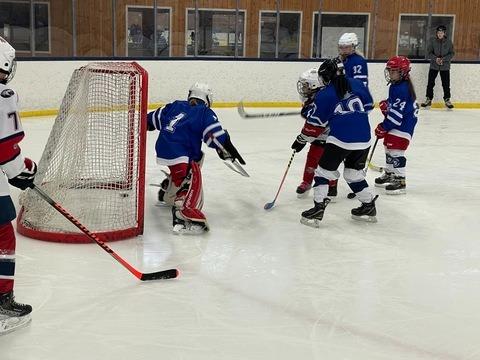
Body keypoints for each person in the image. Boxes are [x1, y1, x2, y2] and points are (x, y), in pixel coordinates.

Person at [147, 82, 245, 235]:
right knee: (193, 176)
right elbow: (214, 135)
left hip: (163, 149)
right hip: (180, 154)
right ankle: (183, 212)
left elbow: (151, 119)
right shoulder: (204, 112)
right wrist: (225, 145)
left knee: (191, 163)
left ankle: (169, 191)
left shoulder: (175, 105)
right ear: (207, 99)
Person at [292, 58, 378, 227]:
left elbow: (314, 126)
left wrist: (301, 140)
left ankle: (317, 210)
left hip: (341, 140)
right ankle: (368, 206)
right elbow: (368, 107)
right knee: (353, 175)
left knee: (323, 173)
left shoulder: (325, 94)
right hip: (363, 138)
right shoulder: (357, 84)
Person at [0, 36, 37, 334]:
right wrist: (22, 170)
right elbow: (6, 148)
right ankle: (2, 302)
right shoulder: (4, 95)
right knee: (3, 240)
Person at [374, 56, 418, 194]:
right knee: (388, 146)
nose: (391, 73)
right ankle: (390, 173)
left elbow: (396, 117)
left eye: (394, 71)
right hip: (399, 123)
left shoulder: (402, 89)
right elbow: (395, 105)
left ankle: (400, 180)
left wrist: (383, 127)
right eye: (390, 70)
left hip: (404, 125)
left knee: (396, 150)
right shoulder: (396, 85)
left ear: (403, 72)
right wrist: (387, 105)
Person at [295, 67, 337, 200]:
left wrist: (308, 112)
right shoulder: (314, 97)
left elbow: (319, 119)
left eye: (306, 85)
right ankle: (307, 181)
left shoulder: (323, 98)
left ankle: (332, 185)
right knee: (312, 158)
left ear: (314, 85)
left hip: (331, 136)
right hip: (318, 136)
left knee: (329, 162)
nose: (303, 88)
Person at [421, 25, 455, 109]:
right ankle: (428, 99)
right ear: (436, 33)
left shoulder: (449, 42)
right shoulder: (432, 41)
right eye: (438, 32)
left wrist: (444, 59)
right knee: (430, 83)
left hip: (445, 66)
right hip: (434, 66)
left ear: (444, 33)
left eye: (441, 32)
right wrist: (435, 59)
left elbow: (452, 53)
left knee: (446, 84)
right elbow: (429, 53)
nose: (440, 34)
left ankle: (447, 100)